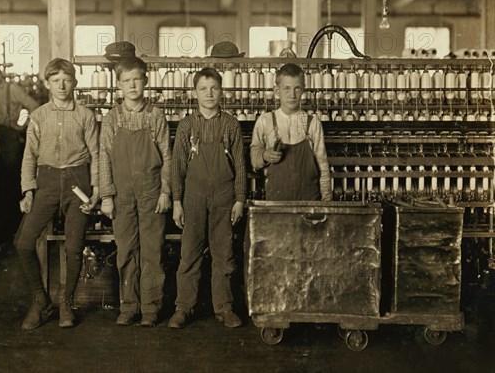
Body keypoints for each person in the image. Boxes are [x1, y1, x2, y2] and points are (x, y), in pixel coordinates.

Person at [15, 58, 99, 330]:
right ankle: (40, 301)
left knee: (74, 247)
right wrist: (28, 190)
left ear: (74, 83)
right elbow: (29, 156)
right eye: (56, 81)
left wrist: (97, 190)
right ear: (47, 84)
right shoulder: (38, 116)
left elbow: (96, 155)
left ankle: (66, 302)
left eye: (67, 80)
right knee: (23, 243)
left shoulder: (86, 115)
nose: (62, 86)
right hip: (47, 181)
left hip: (79, 182)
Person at [169, 67, 246, 329]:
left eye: (214, 88)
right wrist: (177, 201)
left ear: (221, 91)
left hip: (224, 197)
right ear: (194, 93)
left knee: (224, 253)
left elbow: (240, 166)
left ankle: (224, 308)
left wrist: (239, 199)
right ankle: (183, 307)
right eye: (203, 89)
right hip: (193, 198)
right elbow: (177, 166)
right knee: (189, 252)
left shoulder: (231, 125)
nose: (209, 93)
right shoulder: (186, 126)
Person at [99, 56, 171, 327]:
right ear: (119, 85)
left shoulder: (156, 116)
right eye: (126, 81)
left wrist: (166, 191)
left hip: (152, 192)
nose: (132, 85)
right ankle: (129, 306)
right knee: (126, 250)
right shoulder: (111, 119)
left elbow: (167, 156)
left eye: (137, 79)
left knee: (152, 251)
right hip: (122, 193)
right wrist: (106, 195)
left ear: (146, 81)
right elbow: (104, 158)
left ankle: (151, 308)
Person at [250, 63, 331, 201]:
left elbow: (323, 166)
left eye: (297, 88)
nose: (292, 95)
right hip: (276, 202)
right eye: (286, 88)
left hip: (309, 203)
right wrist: (264, 155)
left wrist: (326, 200)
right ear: (277, 91)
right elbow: (254, 160)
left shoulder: (313, 123)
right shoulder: (265, 121)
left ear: (303, 90)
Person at [0, 61, 39, 241]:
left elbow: (34, 106)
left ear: (0, 73)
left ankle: (17, 228)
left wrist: (21, 126)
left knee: (12, 181)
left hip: (11, 137)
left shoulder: (11, 89)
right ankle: (3, 230)